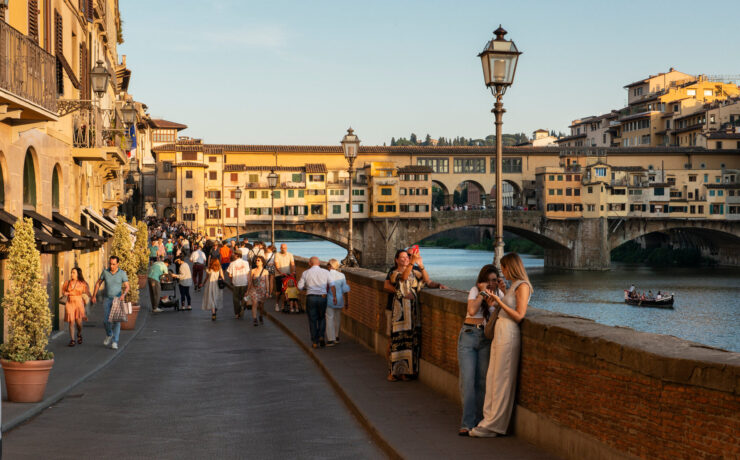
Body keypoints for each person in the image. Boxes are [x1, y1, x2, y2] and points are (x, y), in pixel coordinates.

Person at [470, 253, 533, 438]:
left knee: (502, 379)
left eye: (504, 268)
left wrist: (498, 301)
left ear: (511, 267)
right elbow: (510, 305)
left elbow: (520, 315)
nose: (502, 272)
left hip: (509, 333)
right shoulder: (513, 286)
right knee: (492, 378)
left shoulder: (523, 286)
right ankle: (487, 421)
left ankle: (495, 425)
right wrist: (502, 297)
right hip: (500, 332)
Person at [383, 248, 447, 381]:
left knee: (409, 343)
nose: (406, 259)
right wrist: (412, 262)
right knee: (397, 342)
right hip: (399, 314)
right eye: (402, 257)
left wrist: (423, 267)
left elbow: (427, 281)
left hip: (412, 314)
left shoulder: (415, 271)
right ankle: (393, 372)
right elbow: (403, 278)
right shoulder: (394, 273)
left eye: (407, 257)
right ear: (396, 260)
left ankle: (405, 372)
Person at [457, 264, 505, 436]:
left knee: (483, 382)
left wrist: (501, 292)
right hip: (469, 337)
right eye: (489, 280)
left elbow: (504, 313)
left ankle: (480, 421)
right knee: (468, 381)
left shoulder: (499, 294)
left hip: (486, 339)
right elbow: (471, 310)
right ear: (483, 280)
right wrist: (483, 293)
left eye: (495, 280)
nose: (492, 284)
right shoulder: (474, 291)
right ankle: (467, 423)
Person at [91, 256, 130, 350]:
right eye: (110, 264)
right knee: (106, 320)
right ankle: (109, 334)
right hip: (107, 299)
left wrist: (123, 294)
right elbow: (98, 283)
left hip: (117, 300)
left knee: (116, 321)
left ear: (117, 264)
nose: (111, 266)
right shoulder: (105, 272)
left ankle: (115, 342)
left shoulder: (122, 273)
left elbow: (127, 286)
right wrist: (94, 295)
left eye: (113, 264)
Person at [297, 256, 334, 348]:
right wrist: (334, 297)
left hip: (311, 297)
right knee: (322, 318)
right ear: (319, 263)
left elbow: (299, 287)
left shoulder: (305, 273)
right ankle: (321, 336)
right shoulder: (326, 272)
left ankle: (314, 341)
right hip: (322, 297)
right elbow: (332, 285)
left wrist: (306, 288)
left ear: (309, 263)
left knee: (312, 320)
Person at [62, 267, 91, 347]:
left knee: (79, 323)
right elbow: (63, 291)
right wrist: (65, 293)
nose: (72, 274)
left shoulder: (83, 283)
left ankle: (79, 333)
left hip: (79, 303)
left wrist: (88, 298)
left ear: (78, 274)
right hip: (69, 303)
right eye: (71, 272)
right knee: (71, 322)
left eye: (74, 272)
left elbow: (88, 293)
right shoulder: (67, 282)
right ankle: (72, 340)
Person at [325, 259, 350, 346]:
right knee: (337, 318)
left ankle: (331, 339)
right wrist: (347, 301)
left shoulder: (326, 274)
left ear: (329, 265)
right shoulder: (342, 275)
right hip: (339, 299)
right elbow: (345, 289)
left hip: (329, 299)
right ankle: (336, 336)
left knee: (329, 318)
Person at [245, 256, 271, 326]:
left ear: (262, 262)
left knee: (261, 305)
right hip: (254, 290)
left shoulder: (266, 271)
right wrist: (247, 291)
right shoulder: (252, 271)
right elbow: (250, 282)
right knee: (255, 303)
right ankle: (255, 319)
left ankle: (261, 315)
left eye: (258, 260)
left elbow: (267, 282)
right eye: (256, 260)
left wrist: (268, 291)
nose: (257, 261)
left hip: (262, 290)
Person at [227, 251, 250, 319]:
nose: (233, 255)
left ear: (236, 255)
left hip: (236, 283)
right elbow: (248, 273)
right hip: (245, 282)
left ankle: (237, 313)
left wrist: (231, 281)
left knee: (236, 299)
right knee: (246, 297)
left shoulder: (232, 263)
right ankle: (243, 306)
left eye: (234, 254)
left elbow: (230, 274)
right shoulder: (246, 263)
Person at [274, 243, 296, 311]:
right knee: (279, 291)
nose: (284, 249)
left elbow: (292, 264)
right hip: (279, 275)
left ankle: (284, 305)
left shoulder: (290, 255)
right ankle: (277, 304)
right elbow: (276, 264)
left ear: (286, 248)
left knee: (287, 291)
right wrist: (280, 272)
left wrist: (293, 271)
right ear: (280, 248)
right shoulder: (277, 254)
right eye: (282, 248)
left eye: (285, 248)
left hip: (288, 274)